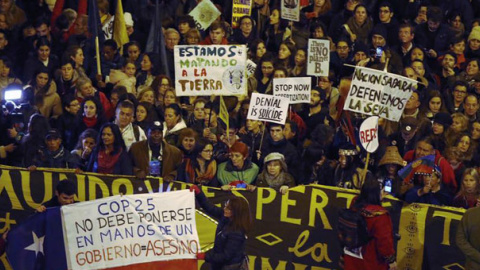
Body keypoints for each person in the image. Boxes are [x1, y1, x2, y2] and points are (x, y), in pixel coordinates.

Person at [342, 176, 397, 270]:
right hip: (370, 260)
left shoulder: (354, 204)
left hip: (350, 256)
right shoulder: (380, 215)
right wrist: (391, 260)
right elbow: (384, 242)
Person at [192, 185, 251, 269]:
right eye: (226, 205)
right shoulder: (226, 217)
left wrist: (205, 256)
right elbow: (210, 208)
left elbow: (226, 256)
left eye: (228, 208)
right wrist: (199, 193)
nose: (225, 209)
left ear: (236, 212)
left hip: (230, 267)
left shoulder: (237, 233)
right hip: (219, 264)